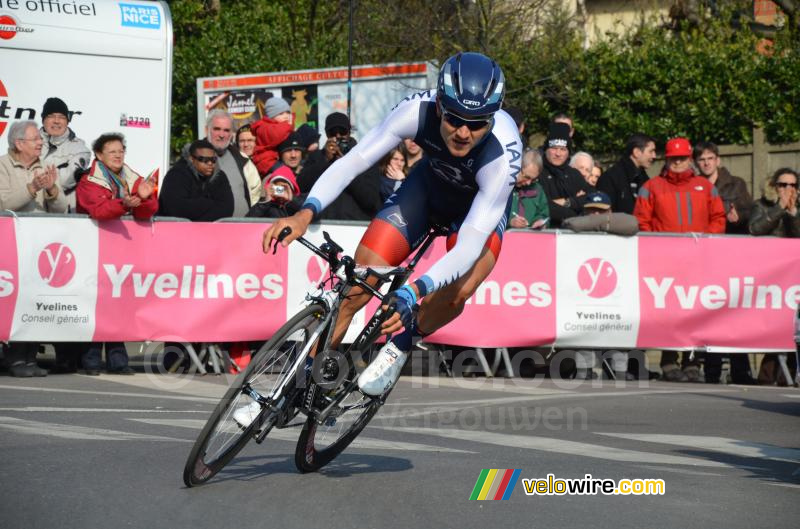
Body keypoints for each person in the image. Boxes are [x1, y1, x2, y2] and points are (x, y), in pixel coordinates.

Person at [260, 51, 519, 402]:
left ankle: (401, 344)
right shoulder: (415, 111)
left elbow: (469, 246)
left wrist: (413, 293)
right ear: (440, 106)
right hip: (426, 192)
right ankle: (289, 385)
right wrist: (305, 213)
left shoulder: (503, 156)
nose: (463, 132)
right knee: (357, 286)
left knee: (460, 288)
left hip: (473, 214)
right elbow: (355, 161)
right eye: (455, 119)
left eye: (476, 124)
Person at [634, 137, 726, 382]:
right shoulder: (652, 186)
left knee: (696, 311)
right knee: (669, 312)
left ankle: (692, 362)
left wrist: (707, 243)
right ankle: (669, 361)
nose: (678, 163)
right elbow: (642, 221)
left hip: (698, 261)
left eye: (682, 158)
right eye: (674, 158)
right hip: (665, 262)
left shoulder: (705, 187)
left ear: (689, 159)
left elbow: (718, 217)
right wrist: (656, 248)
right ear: (667, 159)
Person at [0, 120, 68, 376]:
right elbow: (3, 203)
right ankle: (15, 359)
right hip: (10, 246)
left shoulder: (43, 167)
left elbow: (61, 209)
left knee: (34, 302)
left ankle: (29, 357)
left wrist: (51, 189)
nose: (41, 142)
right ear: (19, 143)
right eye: (35, 140)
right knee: (15, 301)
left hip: (39, 246)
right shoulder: (3, 166)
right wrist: (32, 188)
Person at [749, 168, 800, 385]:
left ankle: (790, 374)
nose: (787, 189)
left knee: (792, 327)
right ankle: (767, 375)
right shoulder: (762, 205)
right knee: (771, 324)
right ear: (774, 186)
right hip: (769, 275)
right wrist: (779, 208)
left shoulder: (797, 208)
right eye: (782, 184)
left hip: (793, 276)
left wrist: (793, 213)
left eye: (792, 185)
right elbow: (755, 228)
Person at [296, 112, 381, 221]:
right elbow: (301, 185)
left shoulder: (365, 158)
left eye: (342, 132)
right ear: (327, 134)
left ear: (349, 132)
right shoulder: (318, 157)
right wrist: (325, 160)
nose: (338, 136)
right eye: (332, 133)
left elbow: (371, 200)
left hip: (354, 225)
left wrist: (348, 166)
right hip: (322, 224)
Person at [76, 133, 158, 220]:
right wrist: (123, 204)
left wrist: (144, 199)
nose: (118, 156)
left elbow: (143, 215)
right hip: (93, 232)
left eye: (121, 151)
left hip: (127, 232)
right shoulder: (89, 181)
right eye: (112, 152)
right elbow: (99, 211)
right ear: (99, 155)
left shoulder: (134, 179)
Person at [158, 139, 234, 221]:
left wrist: (199, 223)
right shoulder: (176, 175)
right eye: (204, 159)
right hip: (175, 231)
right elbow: (175, 209)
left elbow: (227, 209)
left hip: (210, 232)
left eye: (213, 159)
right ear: (191, 159)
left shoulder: (220, 176)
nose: (210, 163)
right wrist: (208, 203)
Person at [38, 97, 91, 211]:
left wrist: (34, 181)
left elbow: (67, 179)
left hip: (61, 213)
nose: (56, 121)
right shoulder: (28, 141)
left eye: (61, 117)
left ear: (67, 121)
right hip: (29, 210)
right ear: (43, 120)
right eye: (51, 116)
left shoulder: (80, 149)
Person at [205, 110, 259, 217]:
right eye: (217, 129)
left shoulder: (242, 160)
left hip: (243, 229)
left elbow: (255, 195)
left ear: (231, 134)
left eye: (226, 130)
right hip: (207, 230)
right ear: (207, 130)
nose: (221, 135)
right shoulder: (192, 159)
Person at [538, 122, 593, 227]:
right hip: (545, 233)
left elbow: (592, 196)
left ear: (568, 152)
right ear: (546, 150)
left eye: (563, 149)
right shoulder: (537, 172)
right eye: (554, 148)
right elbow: (543, 205)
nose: (558, 154)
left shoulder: (574, 174)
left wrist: (568, 202)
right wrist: (573, 214)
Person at [693, 141, 753, 234]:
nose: (706, 163)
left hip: (729, 238)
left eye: (710, 158)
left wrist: (738, 217)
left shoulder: (736, 183)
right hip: (702, 240)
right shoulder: (692, 187)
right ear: (696, 163)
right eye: (702, 159)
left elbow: (750, 212)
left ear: (717, 161)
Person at [596, 133, 656, 214]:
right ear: (636, 152)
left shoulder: (643, 178)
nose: (654, 156)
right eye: (651, 151)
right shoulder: (610, 178)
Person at [250, 98, 294, 177]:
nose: (286, 116)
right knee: (285, 173)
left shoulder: (280, 126)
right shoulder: (264, 127)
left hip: (274, 159)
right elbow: (276, 135)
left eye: (288, 112)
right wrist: (288, 125)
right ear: (271, 116)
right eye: (281, 114)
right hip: (266, 161)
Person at [508, 149, 548, 229]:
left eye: (533, 179)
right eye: (527, 177)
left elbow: (543, 213)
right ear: (516, 168)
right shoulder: (500, 186)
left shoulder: (537, 189)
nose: (528, 183)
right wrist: (510, 222)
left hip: (529, 237)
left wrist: (539, 221)